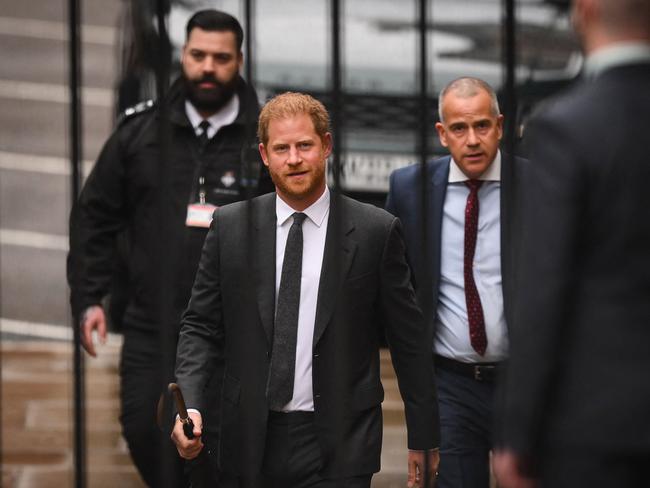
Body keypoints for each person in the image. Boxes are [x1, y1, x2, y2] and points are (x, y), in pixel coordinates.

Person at [171, 92, 440, 488]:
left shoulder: (375, 232)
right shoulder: (230, 227)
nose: (293, 159)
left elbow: (408, 340)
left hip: (340, 442)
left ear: (326, 146)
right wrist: (190, 405)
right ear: (264, 155)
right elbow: (200, 325)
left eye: (304, 145)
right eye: (282, 148)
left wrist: (423, 435)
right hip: (247, 436)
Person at [67, 9, 271, 487]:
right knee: (143, 427)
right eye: (198, 55)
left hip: (234, 327)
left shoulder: (263, 141)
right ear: (183, 55)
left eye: (221, 58)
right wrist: (89, 297)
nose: (207, 67)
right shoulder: (140, 132)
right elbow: (94, 216)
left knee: (222, 442)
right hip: (150, 322)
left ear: (239, 61)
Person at [492, 0, 650, 486]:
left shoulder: (568, 127)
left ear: (583, 11)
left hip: (599, 426)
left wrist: (518, 431)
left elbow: (544, 289)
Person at [386, 77, 527, 487]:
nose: (472, 140)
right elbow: (398, 289)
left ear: (500, 126)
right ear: (442, 134)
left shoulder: (537, 185)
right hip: (451, 383)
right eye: (460, 129)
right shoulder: (409, 190)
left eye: (482, 126)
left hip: (523, 383)